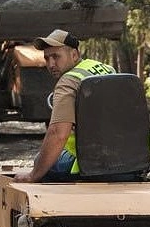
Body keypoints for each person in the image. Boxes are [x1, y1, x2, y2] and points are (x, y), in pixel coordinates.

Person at [12, 29, 117, 183]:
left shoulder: (69, 81)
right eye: (47, 58)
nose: (50, 64)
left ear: (74, 55)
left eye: (56, 56)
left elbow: (58, 134)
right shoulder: (107, 69)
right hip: (136, 158)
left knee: (41, 162)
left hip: (95, 164)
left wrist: (34, 175)